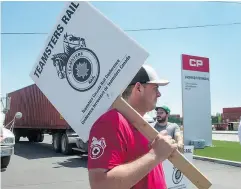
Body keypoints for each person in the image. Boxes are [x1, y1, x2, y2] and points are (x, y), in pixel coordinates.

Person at [87, 64, 178, 189]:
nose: (159, 94)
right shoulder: (111, 122)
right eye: (155, 88)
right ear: (139, 88)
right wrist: (155, 155)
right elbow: (100, 185)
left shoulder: (142, 124)